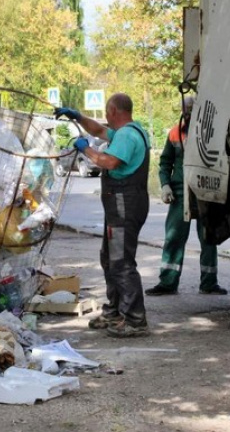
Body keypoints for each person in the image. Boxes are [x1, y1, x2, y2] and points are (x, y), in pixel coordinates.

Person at [54, 93, 151, 338]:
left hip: (124, 205)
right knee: (109, 258)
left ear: (114, 111)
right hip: (120, 205)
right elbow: (97, 129)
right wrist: (76, 116)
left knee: (120, 261)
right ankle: (116, 311)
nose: (105, 117)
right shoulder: (126, 131)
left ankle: (135, 319)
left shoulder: (127, 136)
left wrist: (86, 149)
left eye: (107, 112)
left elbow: (107, 162)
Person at [145, 96, 227, 296]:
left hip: (205, 192)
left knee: (208, 237)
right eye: (185, 108)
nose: (188, 112)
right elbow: (165, 162)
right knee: (173, 237)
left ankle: (209, 283)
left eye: (191, 108)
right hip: (180, 194)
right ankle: (167, 283)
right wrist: (165, 185)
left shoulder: (210, 131)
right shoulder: (175, 133)